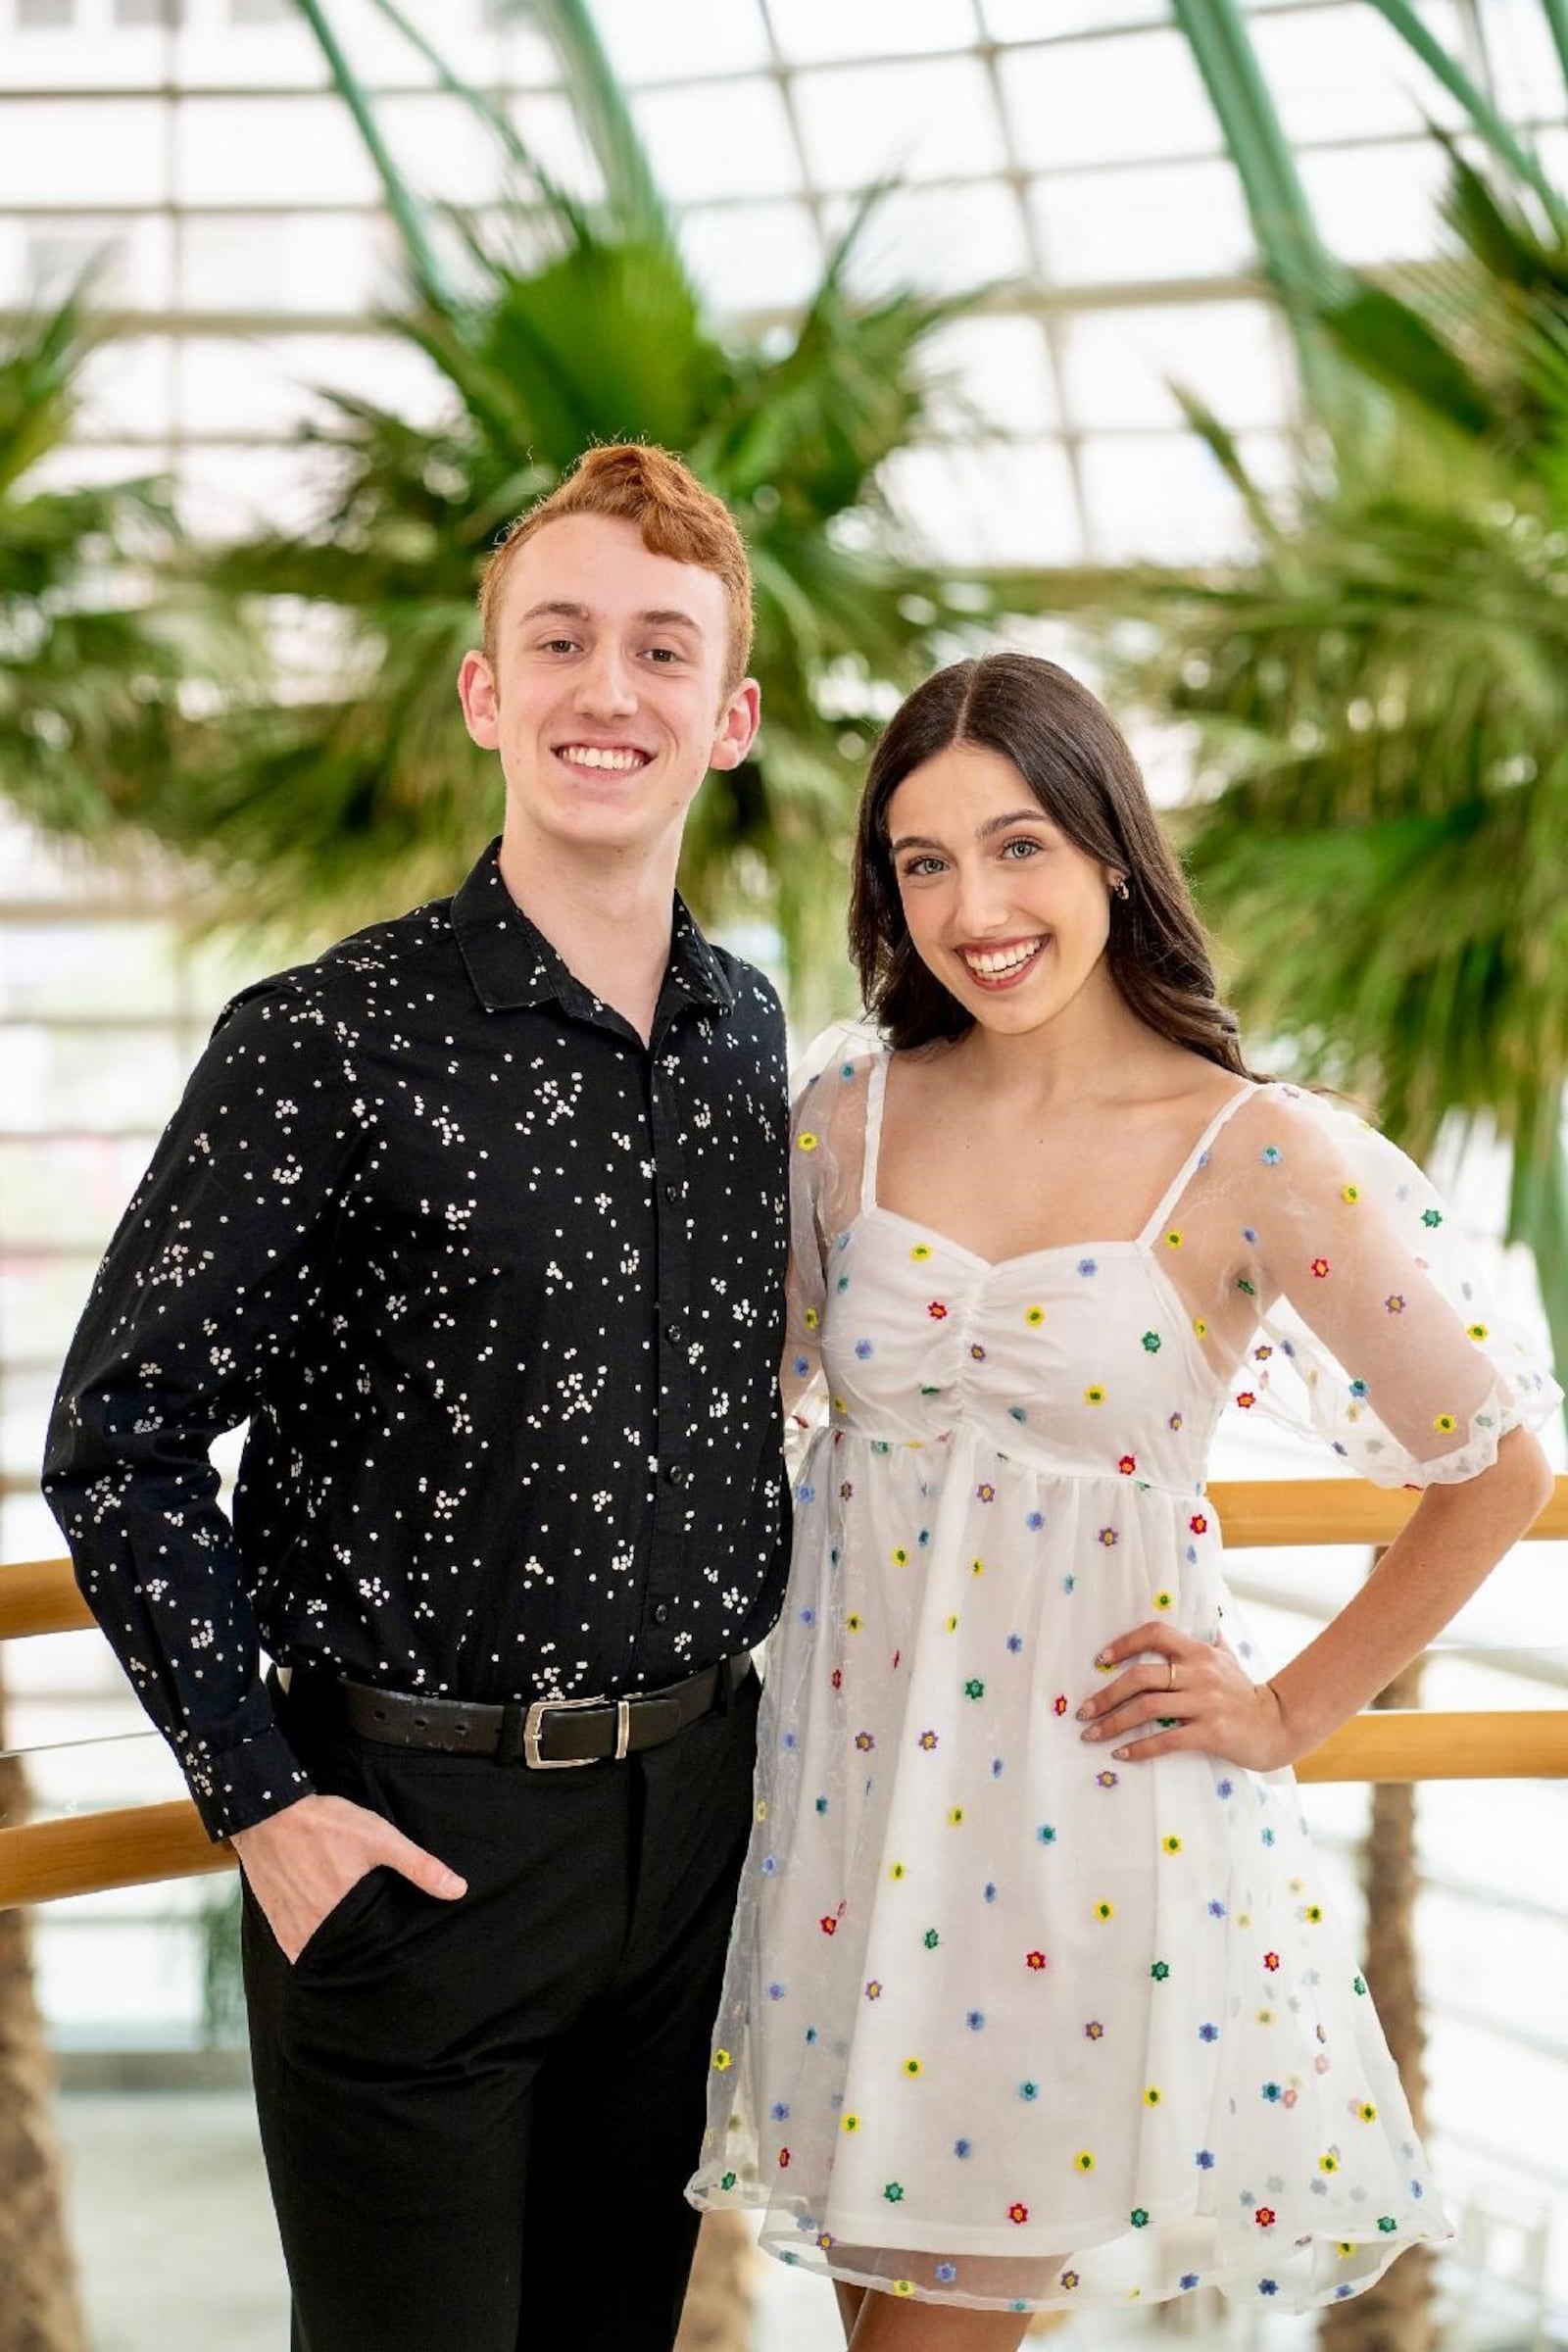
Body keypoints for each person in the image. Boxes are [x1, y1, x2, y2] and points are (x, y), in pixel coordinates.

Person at [689, 651, 1558, 2343]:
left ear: (1106, 851)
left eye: (1016, 847)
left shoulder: (1254, 1151)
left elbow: (1497, 1467)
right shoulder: (844, 1122)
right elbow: (735, 1429)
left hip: (1076, 1828)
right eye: (922, 863)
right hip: (847, 1822)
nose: (974, 906)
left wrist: (1293, 1707)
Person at [43, 443, 792, 2352]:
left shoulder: (750, 1039)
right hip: (411, 1847)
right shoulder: (323, 1041)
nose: (603, 690)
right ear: (484, 693)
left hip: (700, 1827)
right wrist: (264, 1805)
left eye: (657, 650)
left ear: (729, 717)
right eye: (556, 641)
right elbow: (116, 1436)